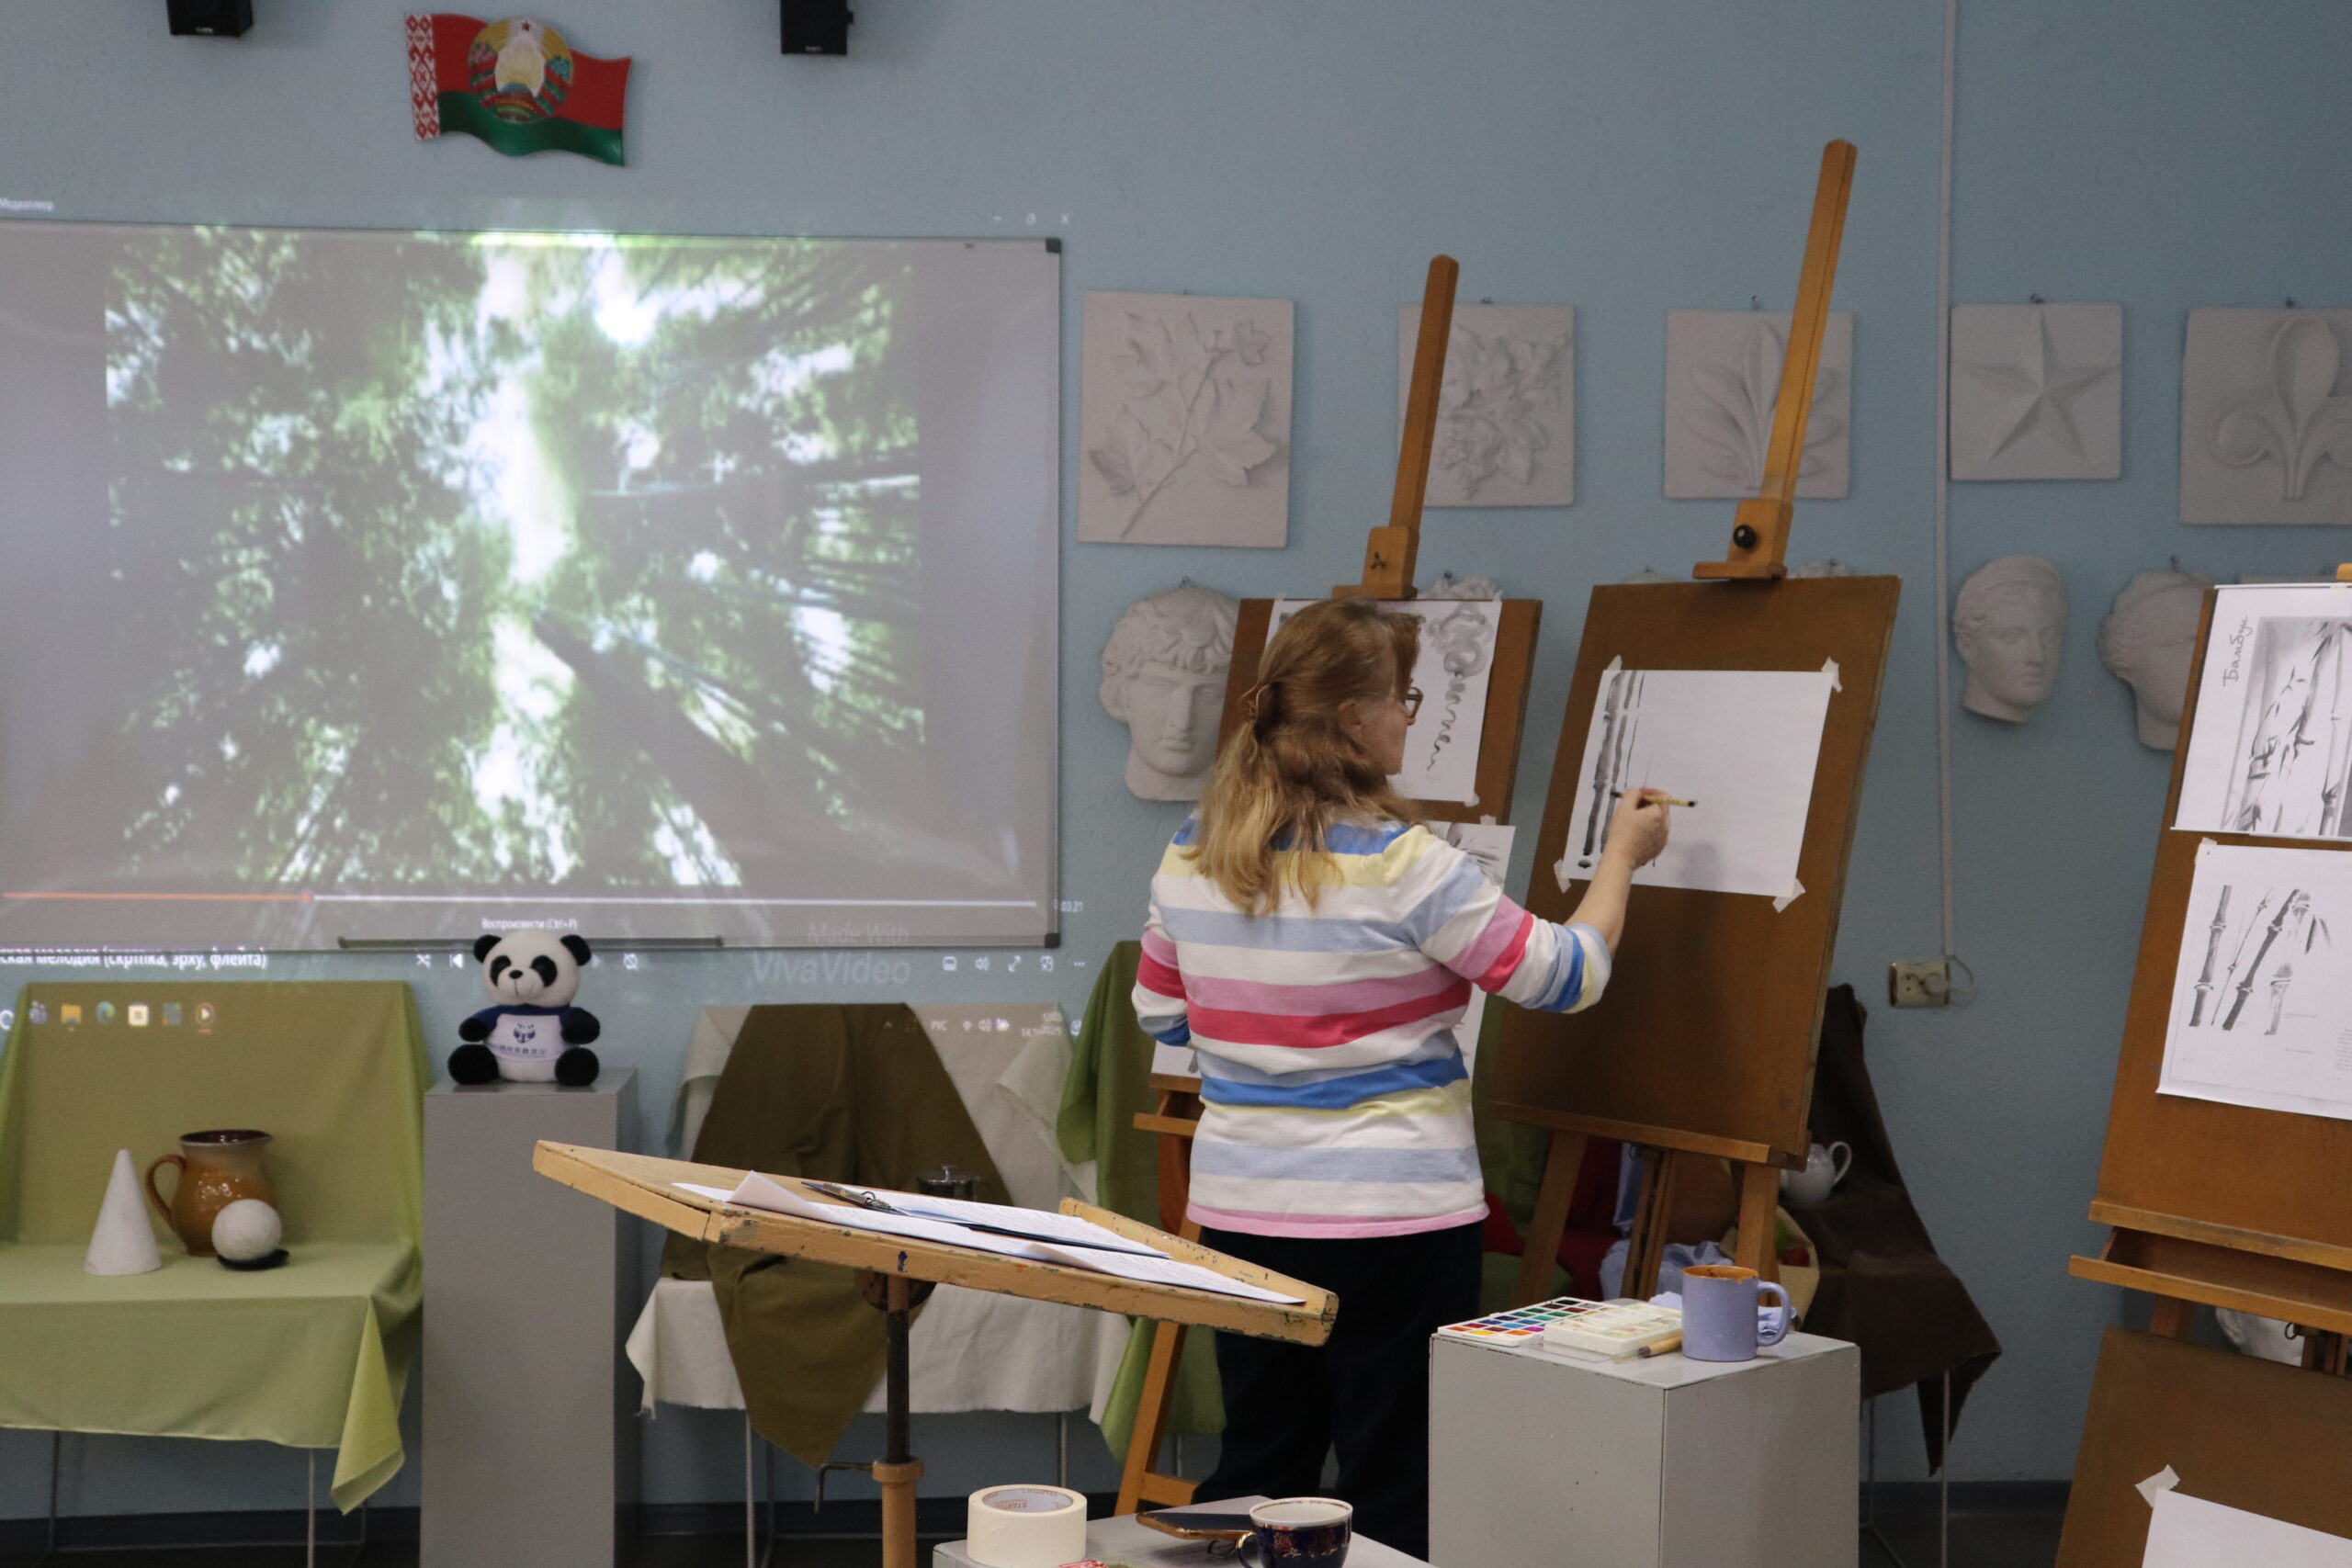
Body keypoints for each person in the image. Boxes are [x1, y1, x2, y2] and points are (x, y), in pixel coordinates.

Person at [1131, 597, 1670, 1557]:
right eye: (1401, 699)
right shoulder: (1410, 866)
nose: (1407, 718)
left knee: (1261, 1468)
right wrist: (1621, 859)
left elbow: (1162, 1015)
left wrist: (1268, 1037)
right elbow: (1565, 976)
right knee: (1393, 1481)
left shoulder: (1193, 850)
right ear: (1352, 718)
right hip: (1395, 1218)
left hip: (1244, 1212)